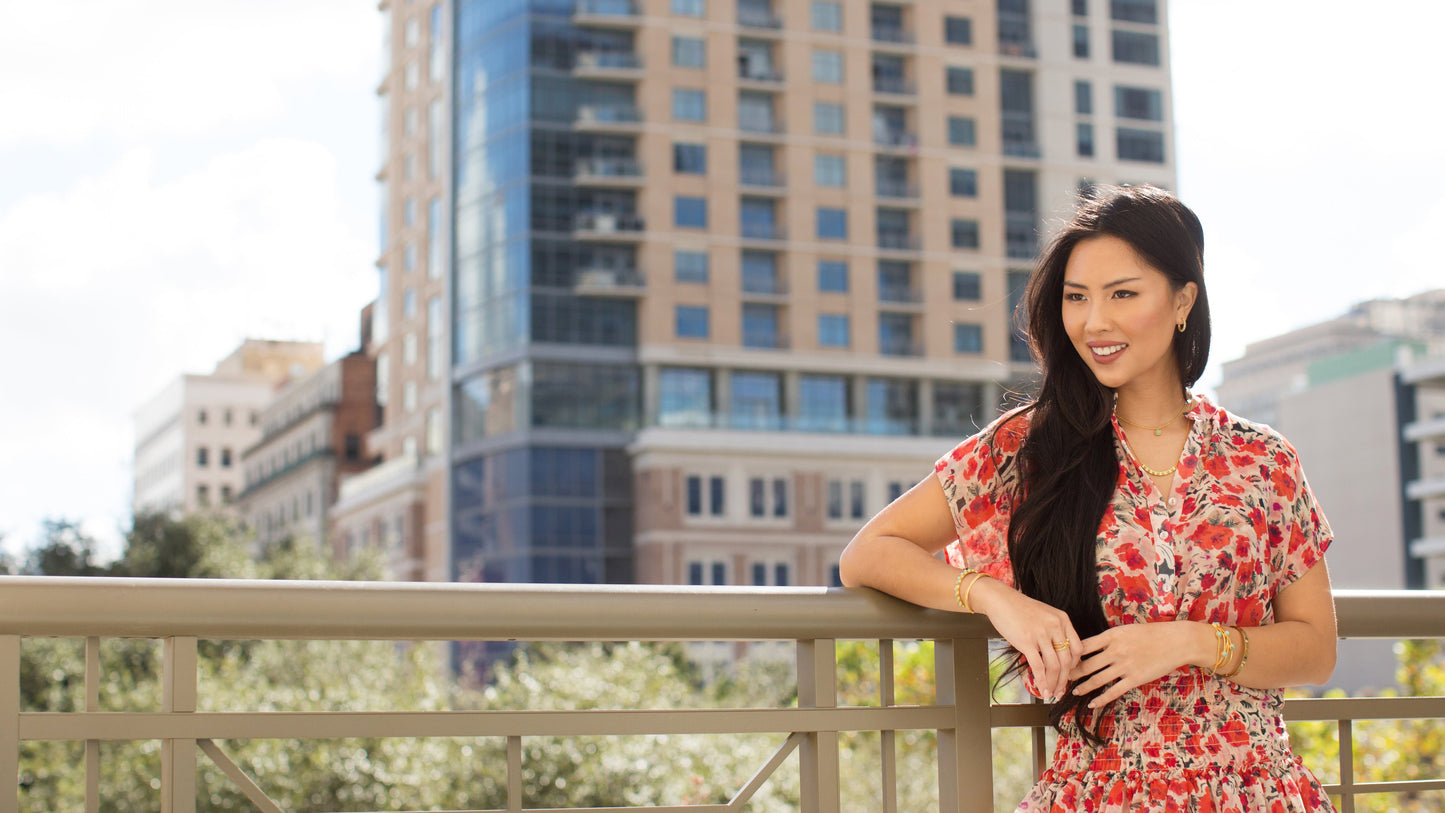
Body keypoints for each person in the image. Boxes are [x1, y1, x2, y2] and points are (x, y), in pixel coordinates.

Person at [839, 185, 1338, 811]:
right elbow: (868, 553)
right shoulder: (1031, 446)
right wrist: (996, 599)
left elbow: (1316, 650)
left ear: (1183, 300)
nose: (1094, 322)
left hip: (1253, 791)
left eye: (1122, 294)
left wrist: (1190, 642)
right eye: (1077, 297)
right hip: (1101, 791)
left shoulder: (1263, 459)